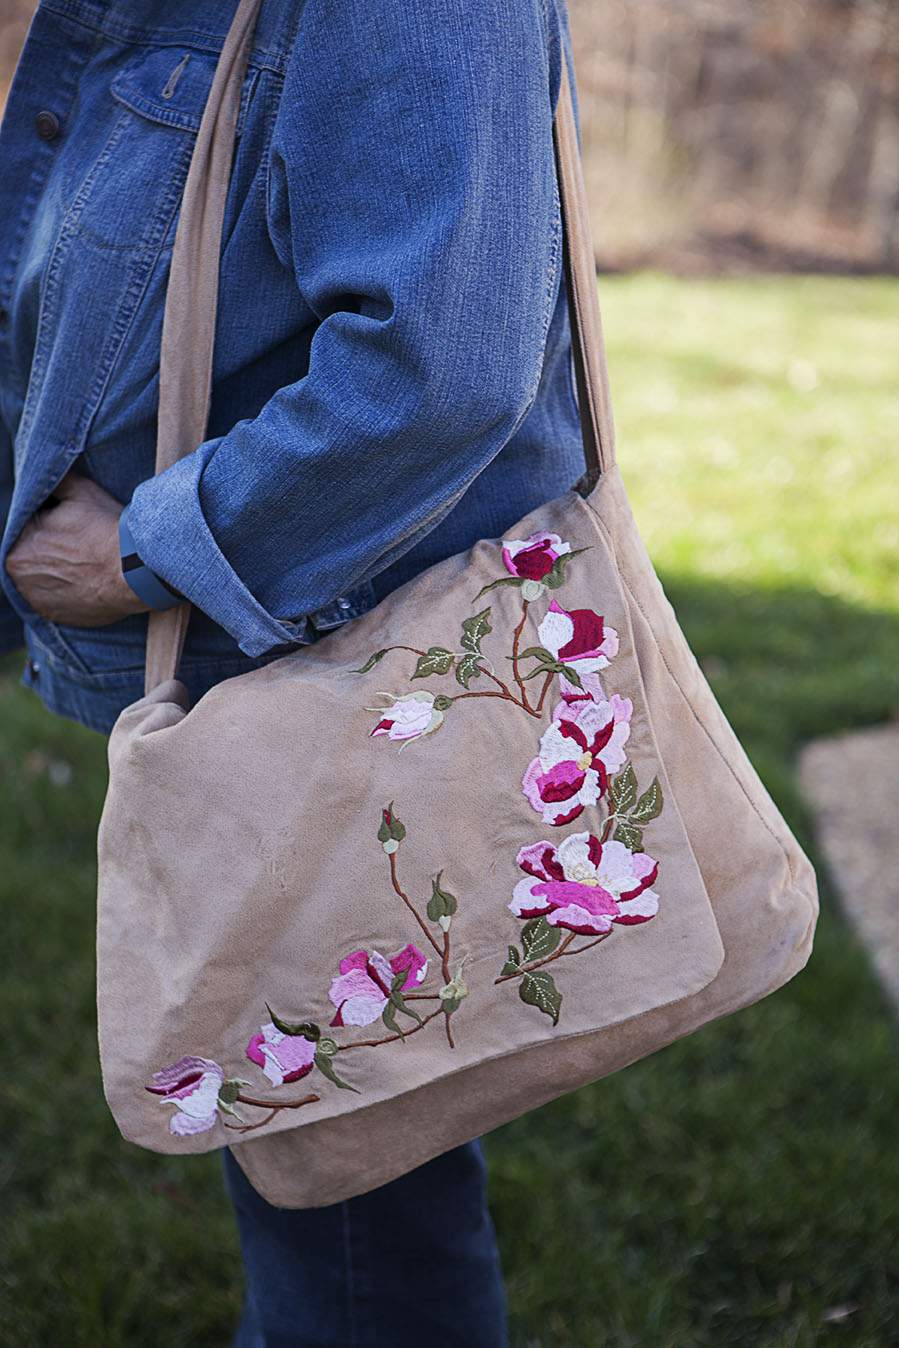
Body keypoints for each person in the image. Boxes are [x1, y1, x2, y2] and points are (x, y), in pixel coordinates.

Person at [0, 0, 586, 1342]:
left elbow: (437, 369)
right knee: (333, 1171)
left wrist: (143, 556)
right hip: (268, 656)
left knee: (353, 1195)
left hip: (322, 658)